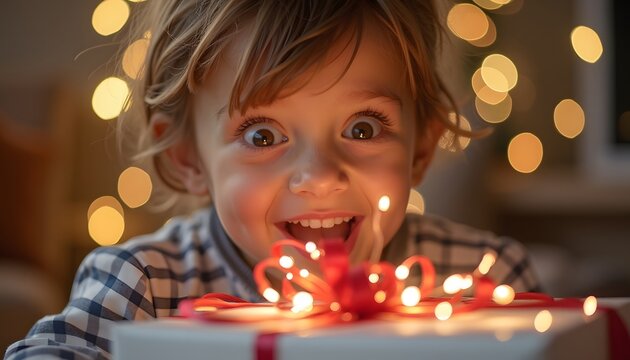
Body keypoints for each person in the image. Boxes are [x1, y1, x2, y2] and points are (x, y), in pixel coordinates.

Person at [5, 0, 540, 359]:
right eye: (262, 136)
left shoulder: (485, 279)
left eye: (362, 127)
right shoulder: (143, 286)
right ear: (189, 157)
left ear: (421, 147)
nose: (320, 177)